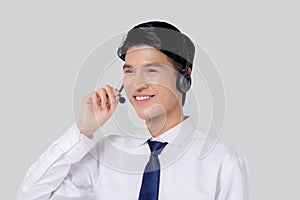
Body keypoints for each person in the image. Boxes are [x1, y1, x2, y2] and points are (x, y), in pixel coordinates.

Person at [17, 21, 250, 200]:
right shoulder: (108, 153)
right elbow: (30, 196)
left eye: (151, 70)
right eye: (129, 71)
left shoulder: (223, 162)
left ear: (184, 79)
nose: (137, 84)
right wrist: (84, 129)